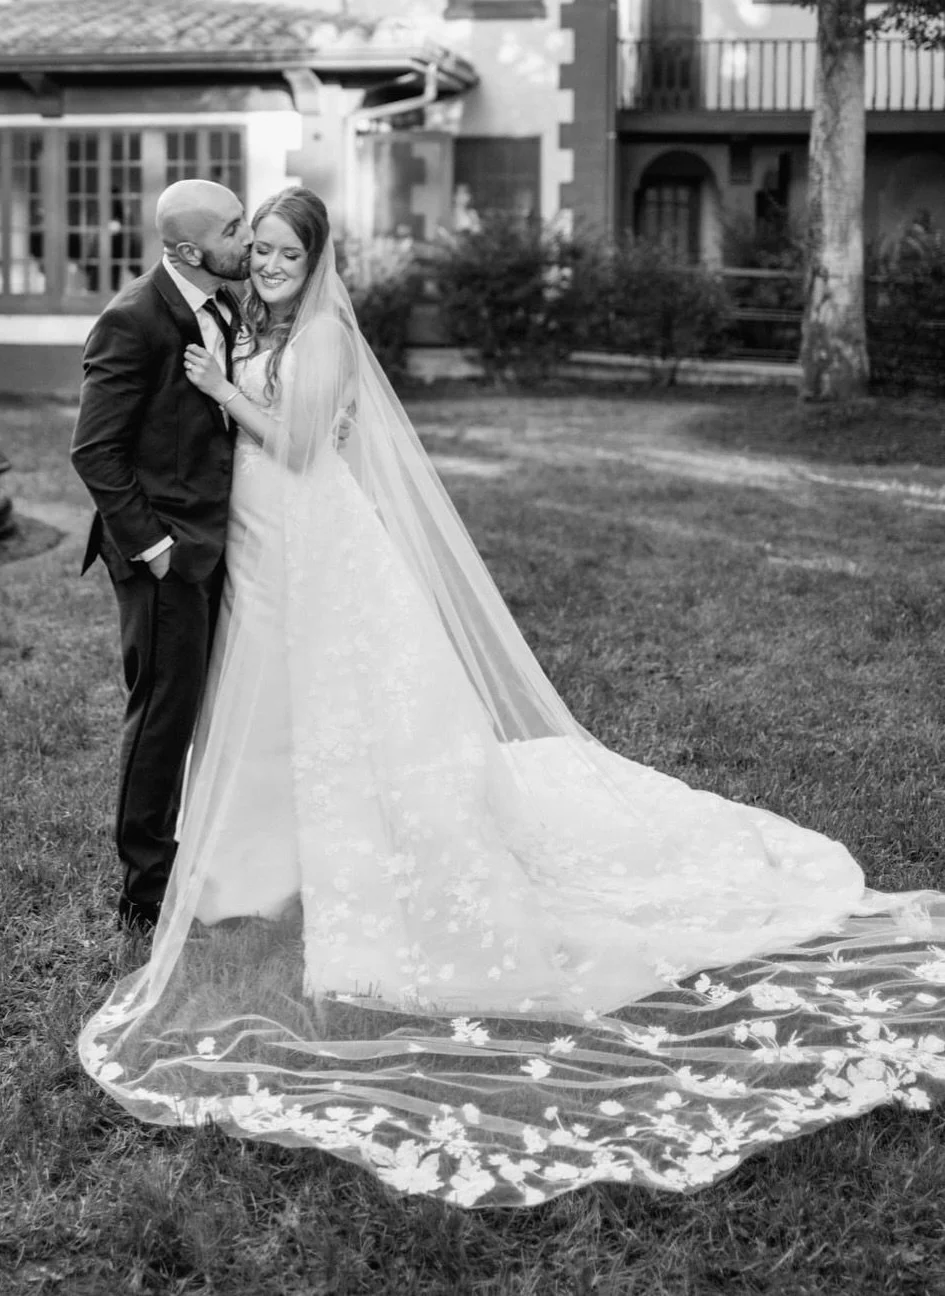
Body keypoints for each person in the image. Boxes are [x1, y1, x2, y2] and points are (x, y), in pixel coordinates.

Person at [78, 184, 945, 1208]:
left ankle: (320, 853)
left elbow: (302, 445)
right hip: (250, 542)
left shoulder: (320, 337)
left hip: (304, 537)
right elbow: (134, 439)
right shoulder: (223, 319)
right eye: (251, 244)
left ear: (314, 261)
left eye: (279, 250)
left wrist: (227, 393)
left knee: (326, 696)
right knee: (257, 700)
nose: (261, 260)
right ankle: (251, 860)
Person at [70, 178, 252, 935]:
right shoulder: (133, 319)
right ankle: (145, 889)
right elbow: (94, 451)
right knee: (162, 717)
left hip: (217, 539)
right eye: (233, 230)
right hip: (164, 554)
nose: (247, 238)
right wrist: (155, 548)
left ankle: (200, 851)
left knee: (201, 705)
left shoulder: (223, 303)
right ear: (186, 249)